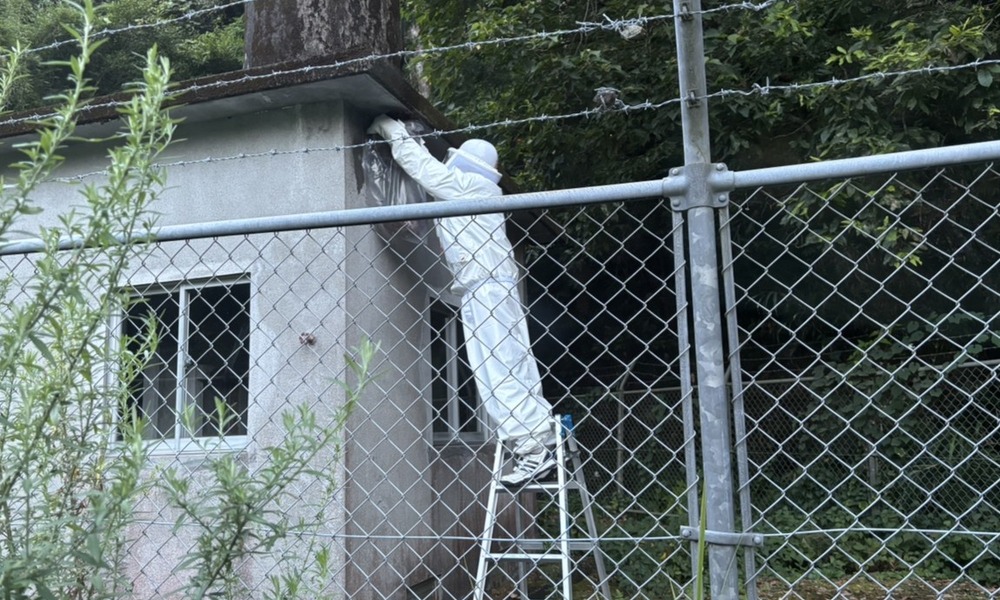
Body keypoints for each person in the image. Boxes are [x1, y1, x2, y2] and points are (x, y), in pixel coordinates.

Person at [367, 115, 556, 485]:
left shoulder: (467, 186)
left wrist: (391, 129)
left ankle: (534, 449)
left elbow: (423, 170)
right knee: (514, 364)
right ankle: (540, 436)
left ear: (465, 163)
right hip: (493, 287)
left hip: (484, 289)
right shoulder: (482, 193)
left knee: (495, 368)